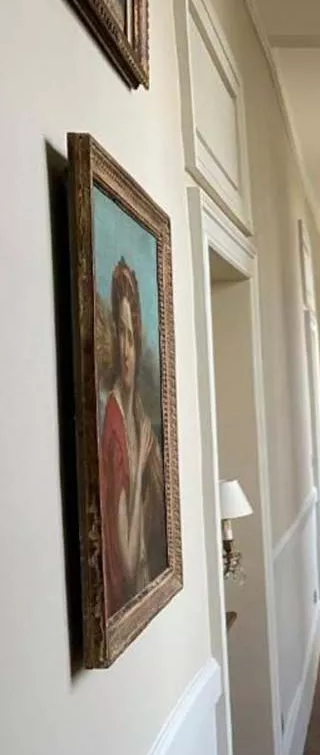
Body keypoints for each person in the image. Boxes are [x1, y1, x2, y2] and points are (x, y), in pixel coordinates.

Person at [99, 260, 165, 617]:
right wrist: (138, 470)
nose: (126, 351)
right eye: (120, 335)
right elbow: (125, 559)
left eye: (131, 336)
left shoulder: (137, 410)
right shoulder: (115, 419)